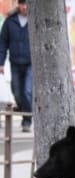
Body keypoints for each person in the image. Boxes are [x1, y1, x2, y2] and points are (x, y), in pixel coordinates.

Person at [0, 0, 32, 132]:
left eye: (27, 4)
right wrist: (1, 62)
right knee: (17, 92)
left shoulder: (34, 22)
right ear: (18, 5)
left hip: (31, 64)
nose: (25, 7)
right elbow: (2, 43)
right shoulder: (10, 22)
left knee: (27, 91)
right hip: (15, 63)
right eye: (22, 3)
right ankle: (23, 108)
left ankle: (27, 121)